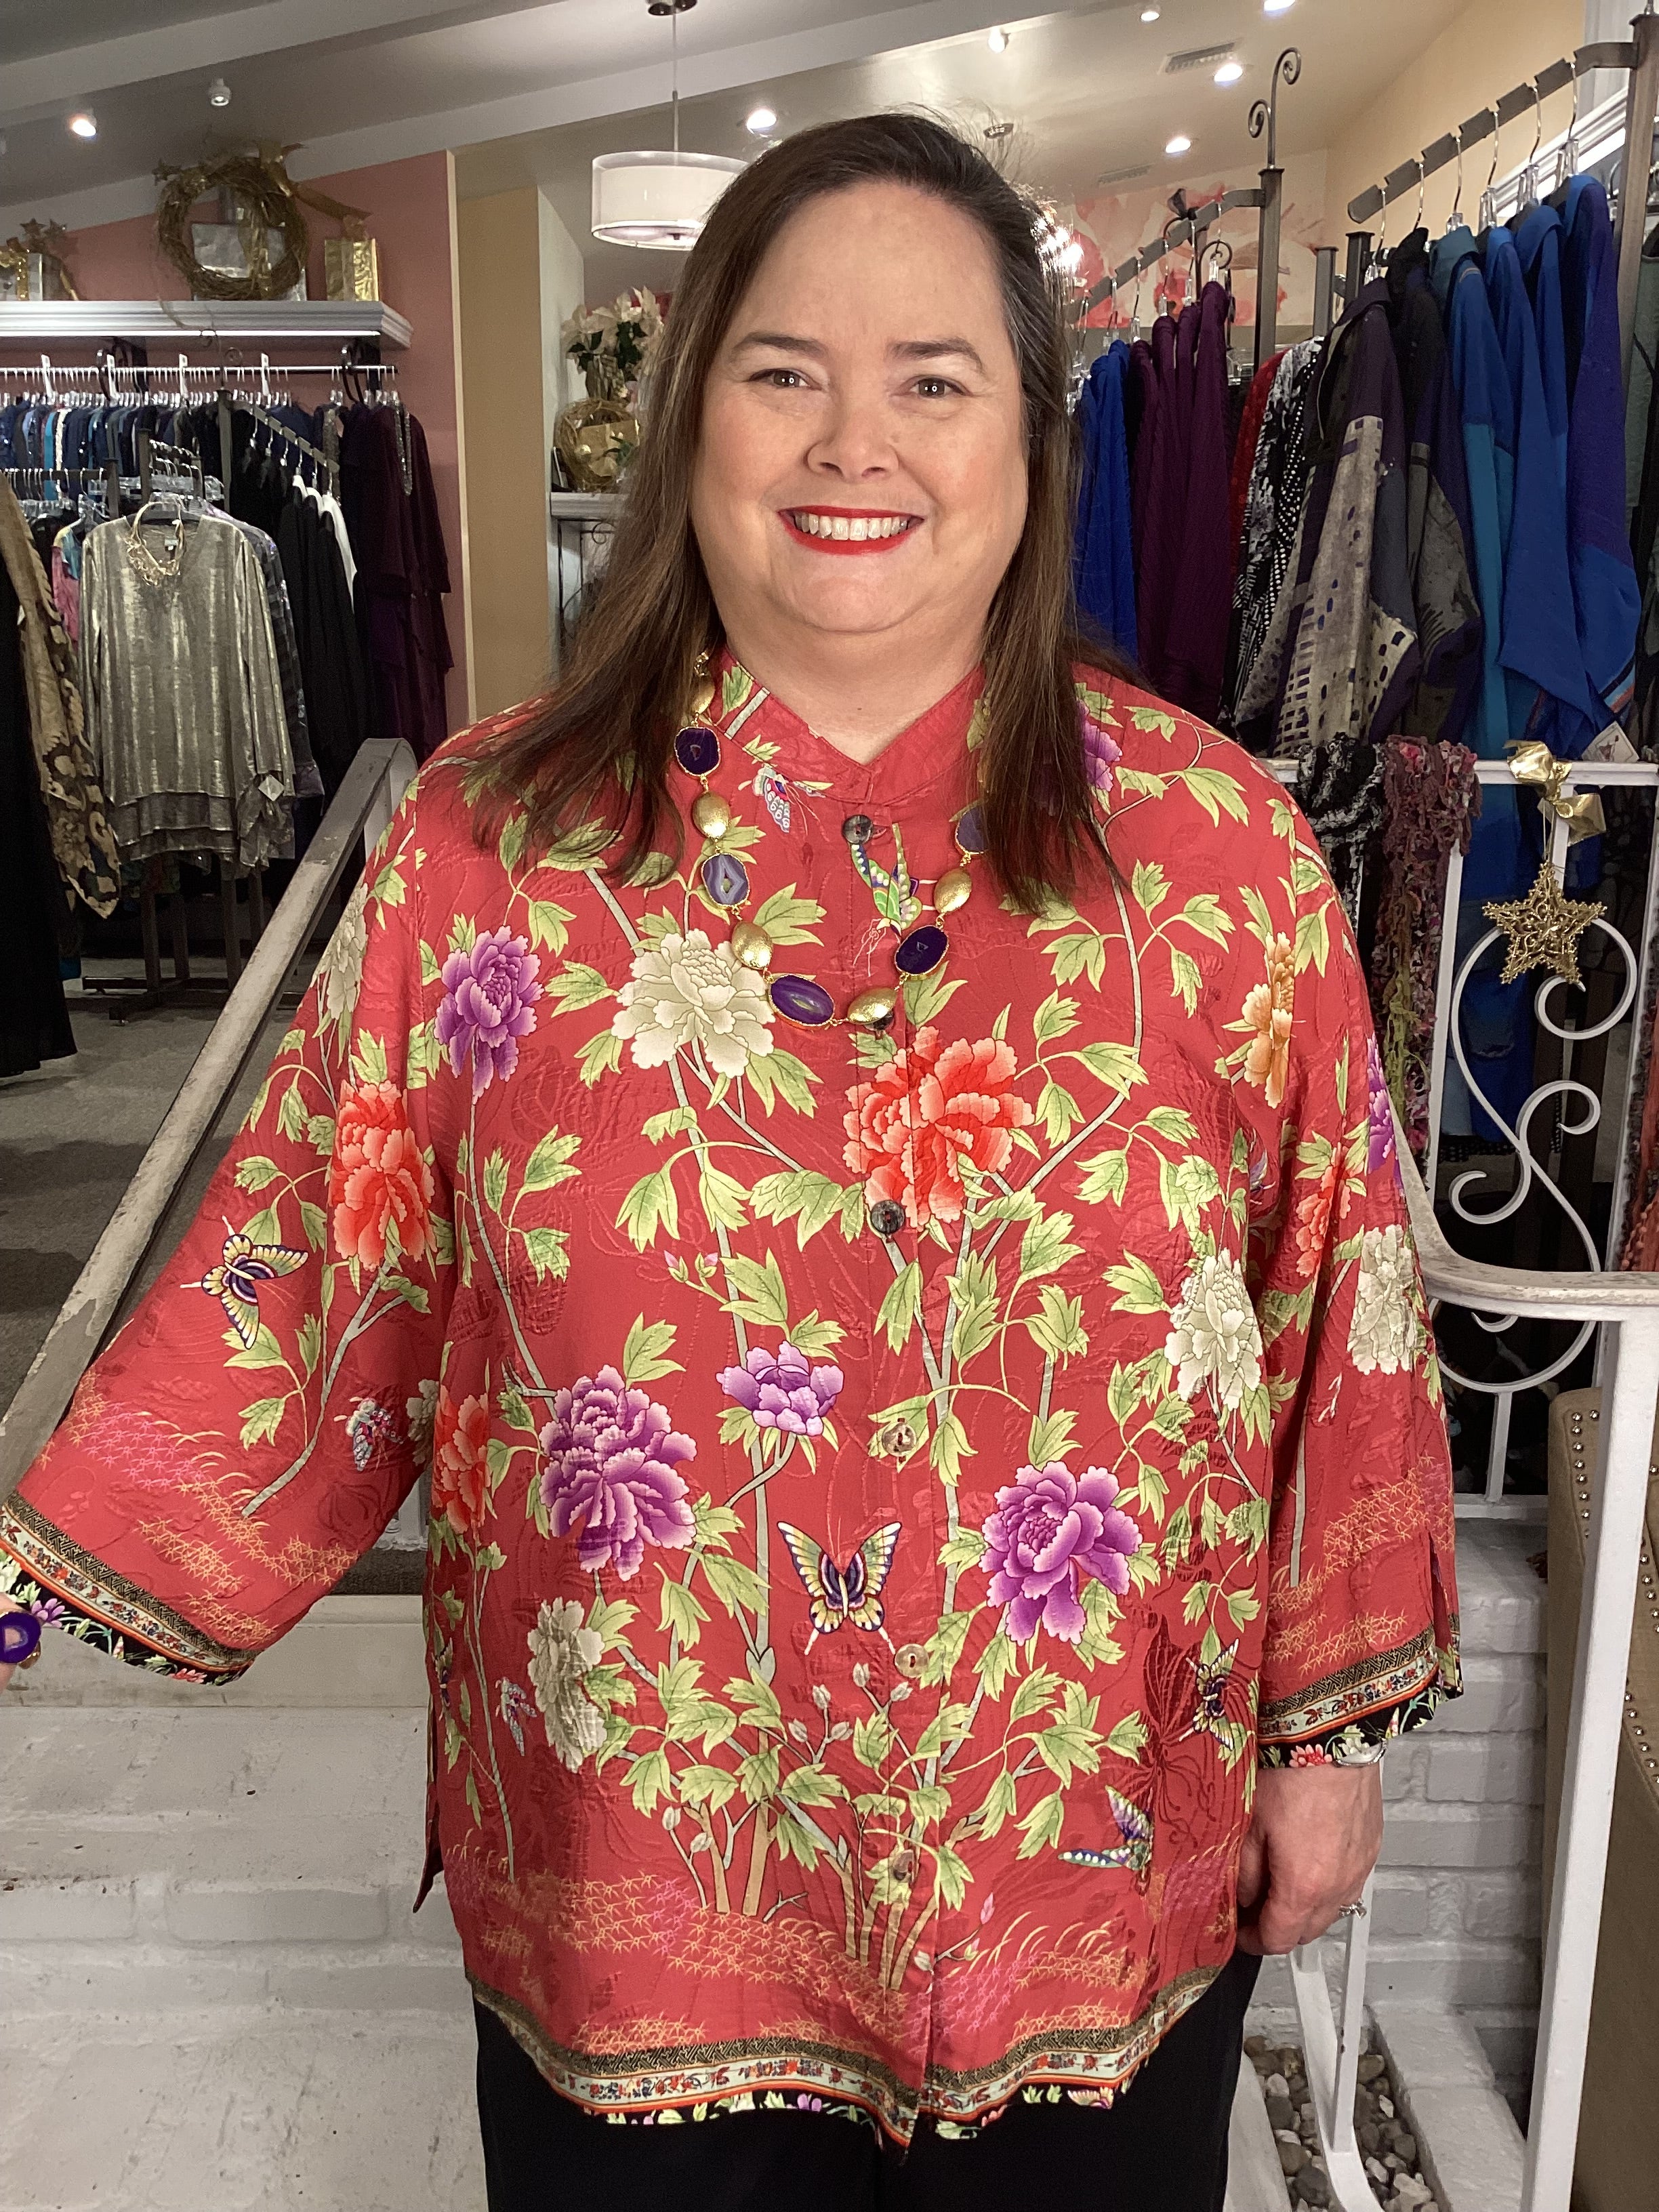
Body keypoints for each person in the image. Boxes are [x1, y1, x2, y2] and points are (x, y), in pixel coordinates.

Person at [0, 114, 1458, 2211]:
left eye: (932, 380)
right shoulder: (491, 854)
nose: (855, 444)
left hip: (1091, 1876)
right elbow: (316, 1268)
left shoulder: (1215, 854)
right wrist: (36, 1596)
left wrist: (1325, 1743)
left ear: (1031, 439)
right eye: (785, 372)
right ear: (693, 417)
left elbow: (1345, 1312)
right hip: (636, 1888)